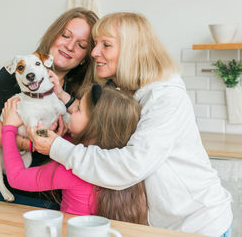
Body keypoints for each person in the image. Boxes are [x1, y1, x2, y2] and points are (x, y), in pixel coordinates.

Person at [27, 12, 233, 236]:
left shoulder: (166, 98)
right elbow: (94, 118)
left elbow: (129, 166)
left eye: (106, 45)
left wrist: (56, 148)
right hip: (163, 224)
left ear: (132, 50)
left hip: (197, 225)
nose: (94, 52)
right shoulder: (124, 88)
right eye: (96, 44)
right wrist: (64, 100)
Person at [0, 7, 99, 209]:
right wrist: (29, 143)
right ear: (53, 36)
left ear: (86, 57)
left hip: (50, 196)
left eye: (80, 45)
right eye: (65, 35)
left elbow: (91, 140)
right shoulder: (17, 74)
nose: (70, 46)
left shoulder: (82, 93)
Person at [1, 85, 148, 224]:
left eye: (78, 109)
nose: (71, 111)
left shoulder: (72, 170)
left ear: (94, 126)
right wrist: (50, 136)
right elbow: (60, 143)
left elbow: (17, 178)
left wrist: (8, 128)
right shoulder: (129, 172)